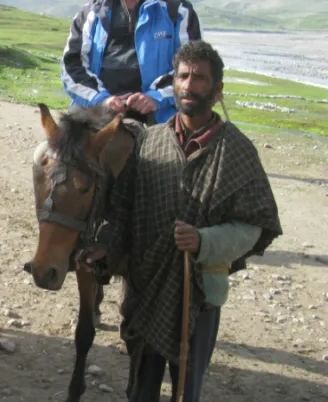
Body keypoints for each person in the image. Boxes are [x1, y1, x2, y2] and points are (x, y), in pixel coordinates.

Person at [80, 41, 282, 402]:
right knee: (142, 388)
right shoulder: (148, 143)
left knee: (187, 390)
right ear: (174, 85)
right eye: (183, 76)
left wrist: (204, 241)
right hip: (146, 287)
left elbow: (254, 227)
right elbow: (122, 210)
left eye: (200, 78)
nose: (189, 85)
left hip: (200, 292)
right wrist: (106, 247)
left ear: (217, 90)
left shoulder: (237, 151)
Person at [61, 0, 202, 125]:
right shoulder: (91, 13)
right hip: (96, 112)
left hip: (160, 115)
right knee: (58, 147)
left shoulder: (178, 11)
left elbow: (193, 67)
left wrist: (155, 98)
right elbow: (71, 67)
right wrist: (101, 99)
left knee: (181, 147)